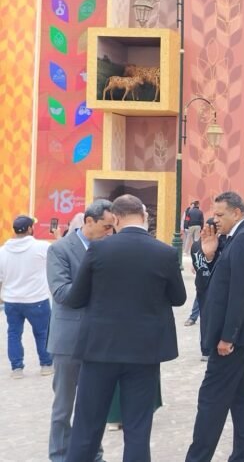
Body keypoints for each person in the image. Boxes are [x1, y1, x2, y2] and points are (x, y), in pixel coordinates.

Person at [63, 195, 186, 462]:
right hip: (144, 352)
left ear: (116, 218)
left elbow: (76, 298)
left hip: (100, 349)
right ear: (144, 216)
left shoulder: (98, 250)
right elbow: (179, 298)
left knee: (87, 426)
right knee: (138, 428)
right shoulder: (164, 252)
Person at [186, 191, 244, 462]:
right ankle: (241, 455)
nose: (215, 220)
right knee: (241, 397)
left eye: (220, 215)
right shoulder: (235, 237)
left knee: (211, 399)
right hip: (241, 335)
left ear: (237, 212)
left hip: (234, 338)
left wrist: (227, 336)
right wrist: (209, 256)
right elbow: (213, 284)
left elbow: (241, 292)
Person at [46, 199, 114, 462]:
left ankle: (93, 454)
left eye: (113, 227)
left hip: (99, 340)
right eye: (106, 226)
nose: (110, 232)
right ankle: (60, 455)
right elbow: (61, 292)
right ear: (89, 221)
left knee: (94, 405)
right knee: (63, 407)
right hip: (68, 341)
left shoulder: (109, 248)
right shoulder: (60, 249)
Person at [0, 215, 55, 379]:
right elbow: (58, 255)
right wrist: (58, 236)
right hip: (37, 299)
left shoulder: (2, 251)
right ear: (30, 229)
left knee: (13, 333)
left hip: (12, 300)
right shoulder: (42, 247)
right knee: (43, 333)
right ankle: (46, 365)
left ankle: (17, 368)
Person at [190, 217, 226, 361]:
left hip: (201, 285)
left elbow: (195, 266)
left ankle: (205, 349)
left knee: (205, 318)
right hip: (212, 286)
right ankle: (210, 348)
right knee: (213, 319)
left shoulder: (195, 245)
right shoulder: (219, 245)